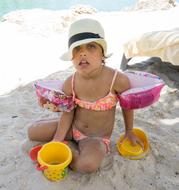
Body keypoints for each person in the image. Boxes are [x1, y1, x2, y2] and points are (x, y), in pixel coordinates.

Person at [27, 18, 143, 173]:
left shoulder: (117, 80)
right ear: (72, 58)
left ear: (103, 54)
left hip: (95, 138)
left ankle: (68, 153)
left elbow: (127, 107)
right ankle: (64, 141)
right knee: (32, 132)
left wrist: (129, 131)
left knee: (88, 165)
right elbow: (68, 112)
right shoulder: (71, 82)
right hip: (73, 126)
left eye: (91, 46)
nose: (83, 53)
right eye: (77, 49)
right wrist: (58, 139)